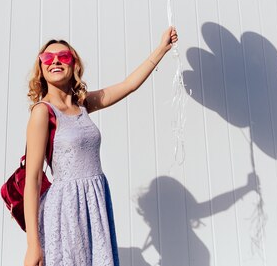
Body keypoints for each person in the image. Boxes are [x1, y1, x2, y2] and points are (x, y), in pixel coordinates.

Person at [23, 26, 179, 266]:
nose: (55, 61)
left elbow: (128, 85)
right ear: (41, 68)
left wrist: (161, 50)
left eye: (63, 57)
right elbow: (32, 180)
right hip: (66, 207)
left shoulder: (82, 104)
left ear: (73, 64)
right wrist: (33, 245)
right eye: (47, 58)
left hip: (94, 201)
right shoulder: (42, 113)